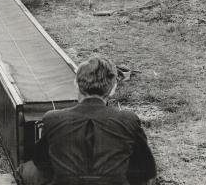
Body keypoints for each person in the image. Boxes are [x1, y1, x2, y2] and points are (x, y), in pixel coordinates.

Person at [16, 57, 157, 185]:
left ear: (76, 85)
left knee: (26, 169)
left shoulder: (52, 118)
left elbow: (41, 162)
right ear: (113, 89)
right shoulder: (129, 119)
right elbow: (147, 169)